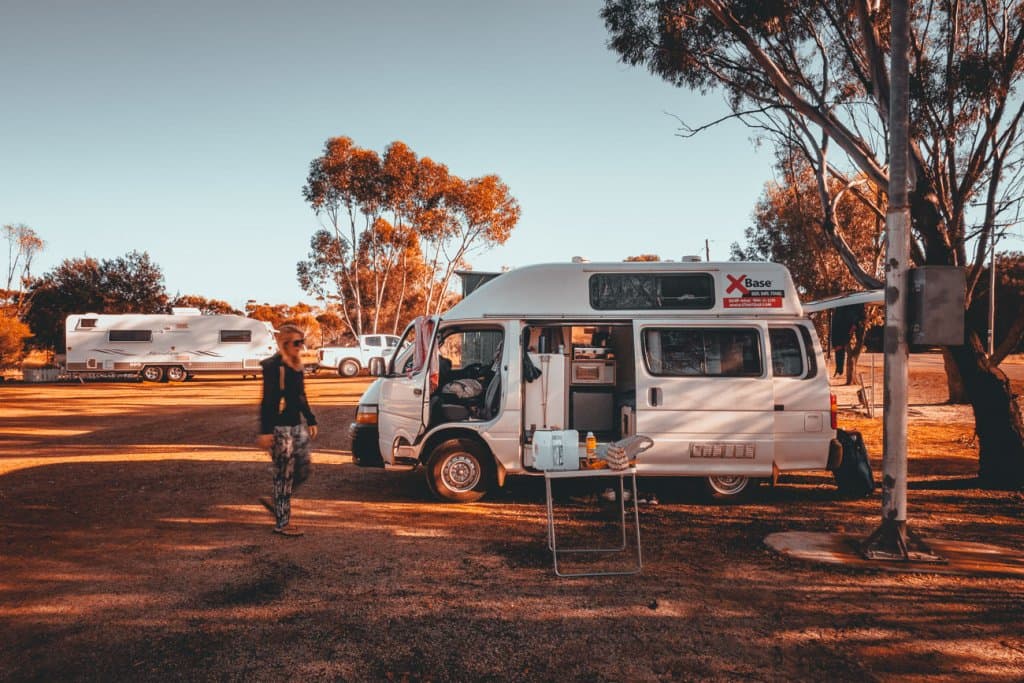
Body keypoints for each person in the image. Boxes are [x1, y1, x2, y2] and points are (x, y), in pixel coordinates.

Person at [256, 323, 318, 536]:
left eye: (302, 342)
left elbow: (301, 396)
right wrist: (265, 431)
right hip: (278, 428)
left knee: (304, 468)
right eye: (296, 343)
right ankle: (282, 522)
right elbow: (267, 401)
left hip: (296, 424)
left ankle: (278, 501)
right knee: (285, 474)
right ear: (283, 343)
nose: (300, 347)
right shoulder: (274, 367)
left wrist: (310, 419)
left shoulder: (296, 365)